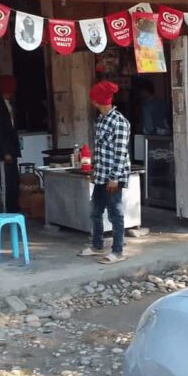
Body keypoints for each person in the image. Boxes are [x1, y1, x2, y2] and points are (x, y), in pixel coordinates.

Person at [78, 80, 132, 264]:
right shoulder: (101, 120)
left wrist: (114, 178)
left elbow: (120, 152)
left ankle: (118, 251)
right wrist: (95, 170)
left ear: (97, 101)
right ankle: (97, 245)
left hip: (113, 177)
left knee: (115, 214)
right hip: (101, 175)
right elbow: (100, 149)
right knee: (96, 211)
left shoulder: (119, 122)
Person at [0, 75, 21, 213]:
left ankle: (14, 206)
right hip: (3, 149)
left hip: (11, 147)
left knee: (14, 179)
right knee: (6, 180)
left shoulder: (9, 102)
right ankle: (7, 208)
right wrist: (5, 151)